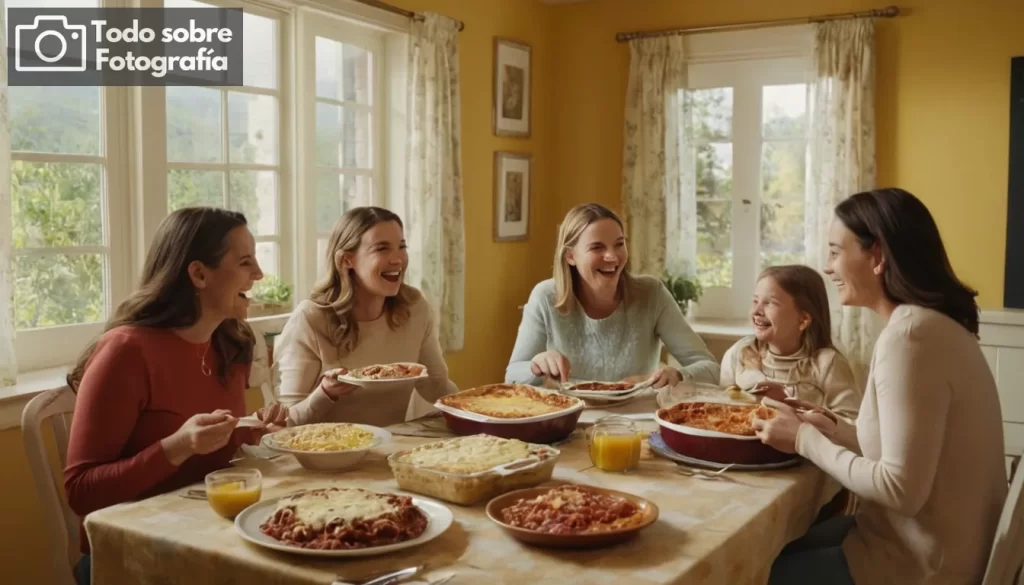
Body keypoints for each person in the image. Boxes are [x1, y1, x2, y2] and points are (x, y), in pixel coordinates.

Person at [754, 188, 1007, 585]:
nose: (827, 266)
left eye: (836, 251)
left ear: (877, 256)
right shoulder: (929, 325)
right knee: (768, 547)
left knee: (754, 571)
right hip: (923, 544)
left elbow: (900, 489)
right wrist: (832, 428)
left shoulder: (910, 338)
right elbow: (911, 451)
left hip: (921, 566)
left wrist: (803, 439)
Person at [63, 207, 285, 585]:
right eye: (245, 262)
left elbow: (206, 464)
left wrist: (246, 434)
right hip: (134, 558)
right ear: (198, 274)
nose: (260, 274)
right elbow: (81, 492)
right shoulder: (126, 352)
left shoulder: (229, 343)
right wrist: (177, 446)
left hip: (207, 536)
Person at [506, 203, 718, 397]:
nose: (613, 257)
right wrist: (535, 365)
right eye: (597, 248)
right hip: (570, 419)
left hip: (639, 421)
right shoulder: (545, 297)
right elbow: (512, 376)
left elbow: (710, 368)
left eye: (619, 244)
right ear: (570, 256)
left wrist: (678, 375)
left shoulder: (652, 294)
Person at [273, 206, 456, 427]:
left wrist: (479, 413)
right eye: (382, 248)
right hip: (326, 454)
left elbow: (436, 386)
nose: (398, 259)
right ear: (346, 260)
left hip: (389, 447)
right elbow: (287, 420)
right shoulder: (311, 318)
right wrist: (325, 393)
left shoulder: (415, 309)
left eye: (401, 246)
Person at [720, 265, 860, 423]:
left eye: (770, 303)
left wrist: (788, 405)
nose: (757, 311)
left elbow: (850, 425)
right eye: (755, 301)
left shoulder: (828, 364)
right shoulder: (738, 353)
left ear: (803, 320)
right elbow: (719, 409)